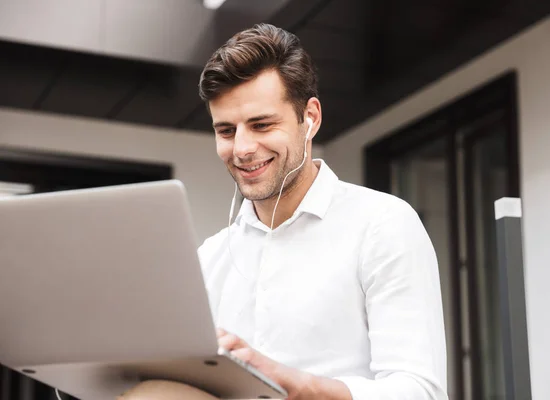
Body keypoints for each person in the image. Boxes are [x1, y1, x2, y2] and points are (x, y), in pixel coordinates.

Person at [120, 23, 447, 400]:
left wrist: (297, 385)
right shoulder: (211, 257)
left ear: (310, 118)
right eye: (226, 131)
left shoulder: (382, 224)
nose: (241, 148)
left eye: (261, 125)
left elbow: (420, 392)